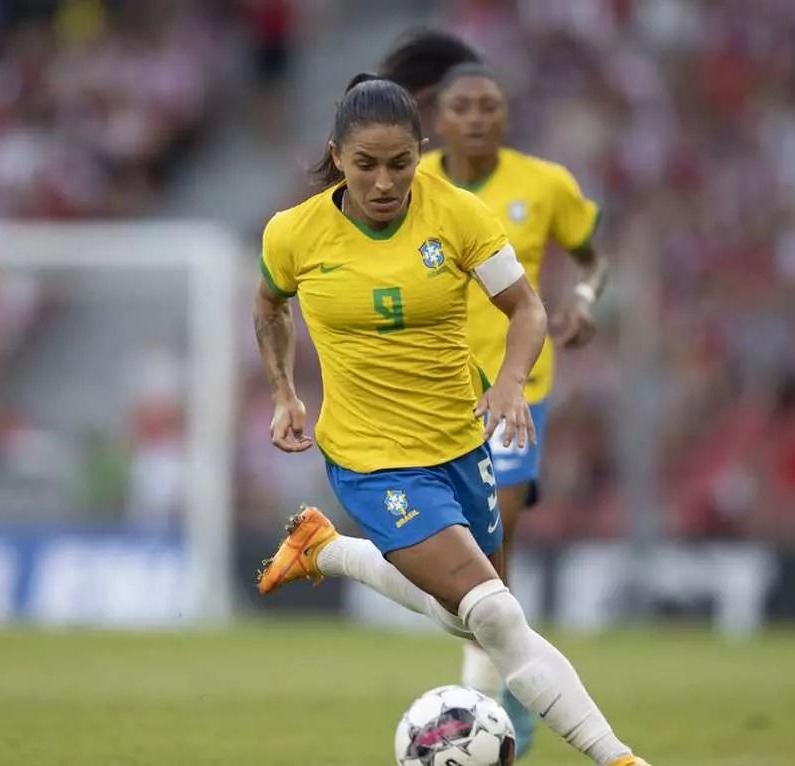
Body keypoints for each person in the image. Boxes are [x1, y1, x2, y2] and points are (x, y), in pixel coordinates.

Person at [253, 73, 649, 766]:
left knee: (476, 617)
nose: (384, 182)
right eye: (366, 164)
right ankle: (618, 757)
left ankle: (328, 550)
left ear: (420, 153)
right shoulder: (295, 233)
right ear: (337, 156)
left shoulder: (457, 215)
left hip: (461, 443)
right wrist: (286, 391)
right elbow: (268, 306)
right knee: (495, 611)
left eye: (400, 163)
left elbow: (525, 309)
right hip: (370, 459)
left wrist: (512, 384)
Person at [382, 32, 610, 756]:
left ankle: (487, 699)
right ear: (438, 119)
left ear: (506, 117)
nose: (479, 117)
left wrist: (585, 297)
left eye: (492, 106)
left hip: (517, 390)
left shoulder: (544, 184)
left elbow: (592, 254)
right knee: (459, 557)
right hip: (430, 390)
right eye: (464, 107)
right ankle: (507, 674)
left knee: (493, 538)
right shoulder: (407, 180)